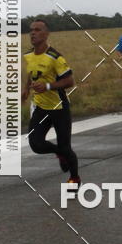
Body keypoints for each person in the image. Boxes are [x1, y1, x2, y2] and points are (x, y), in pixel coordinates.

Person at [21, 19, 80, 186]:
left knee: (66, 147)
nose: (32, 33)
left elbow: (70, 82)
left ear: (46, 34)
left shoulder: (56, 57)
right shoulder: (28, 55)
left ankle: (74, 178)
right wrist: (26, 89)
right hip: (41, 107)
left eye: (37, 30)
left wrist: (47, 86)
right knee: (36, 144)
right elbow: (32, 74)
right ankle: (58, 153)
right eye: (31, 30)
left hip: (58, 107)